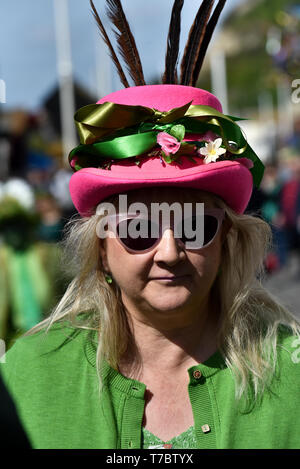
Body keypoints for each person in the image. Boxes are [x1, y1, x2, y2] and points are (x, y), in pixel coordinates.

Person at [1, 0, 300, 450]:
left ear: (228, 239)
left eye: (195, 226)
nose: (169, 251)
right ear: (100, 244)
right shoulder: (28, 375)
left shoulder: (290, 373)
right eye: (137, 228)